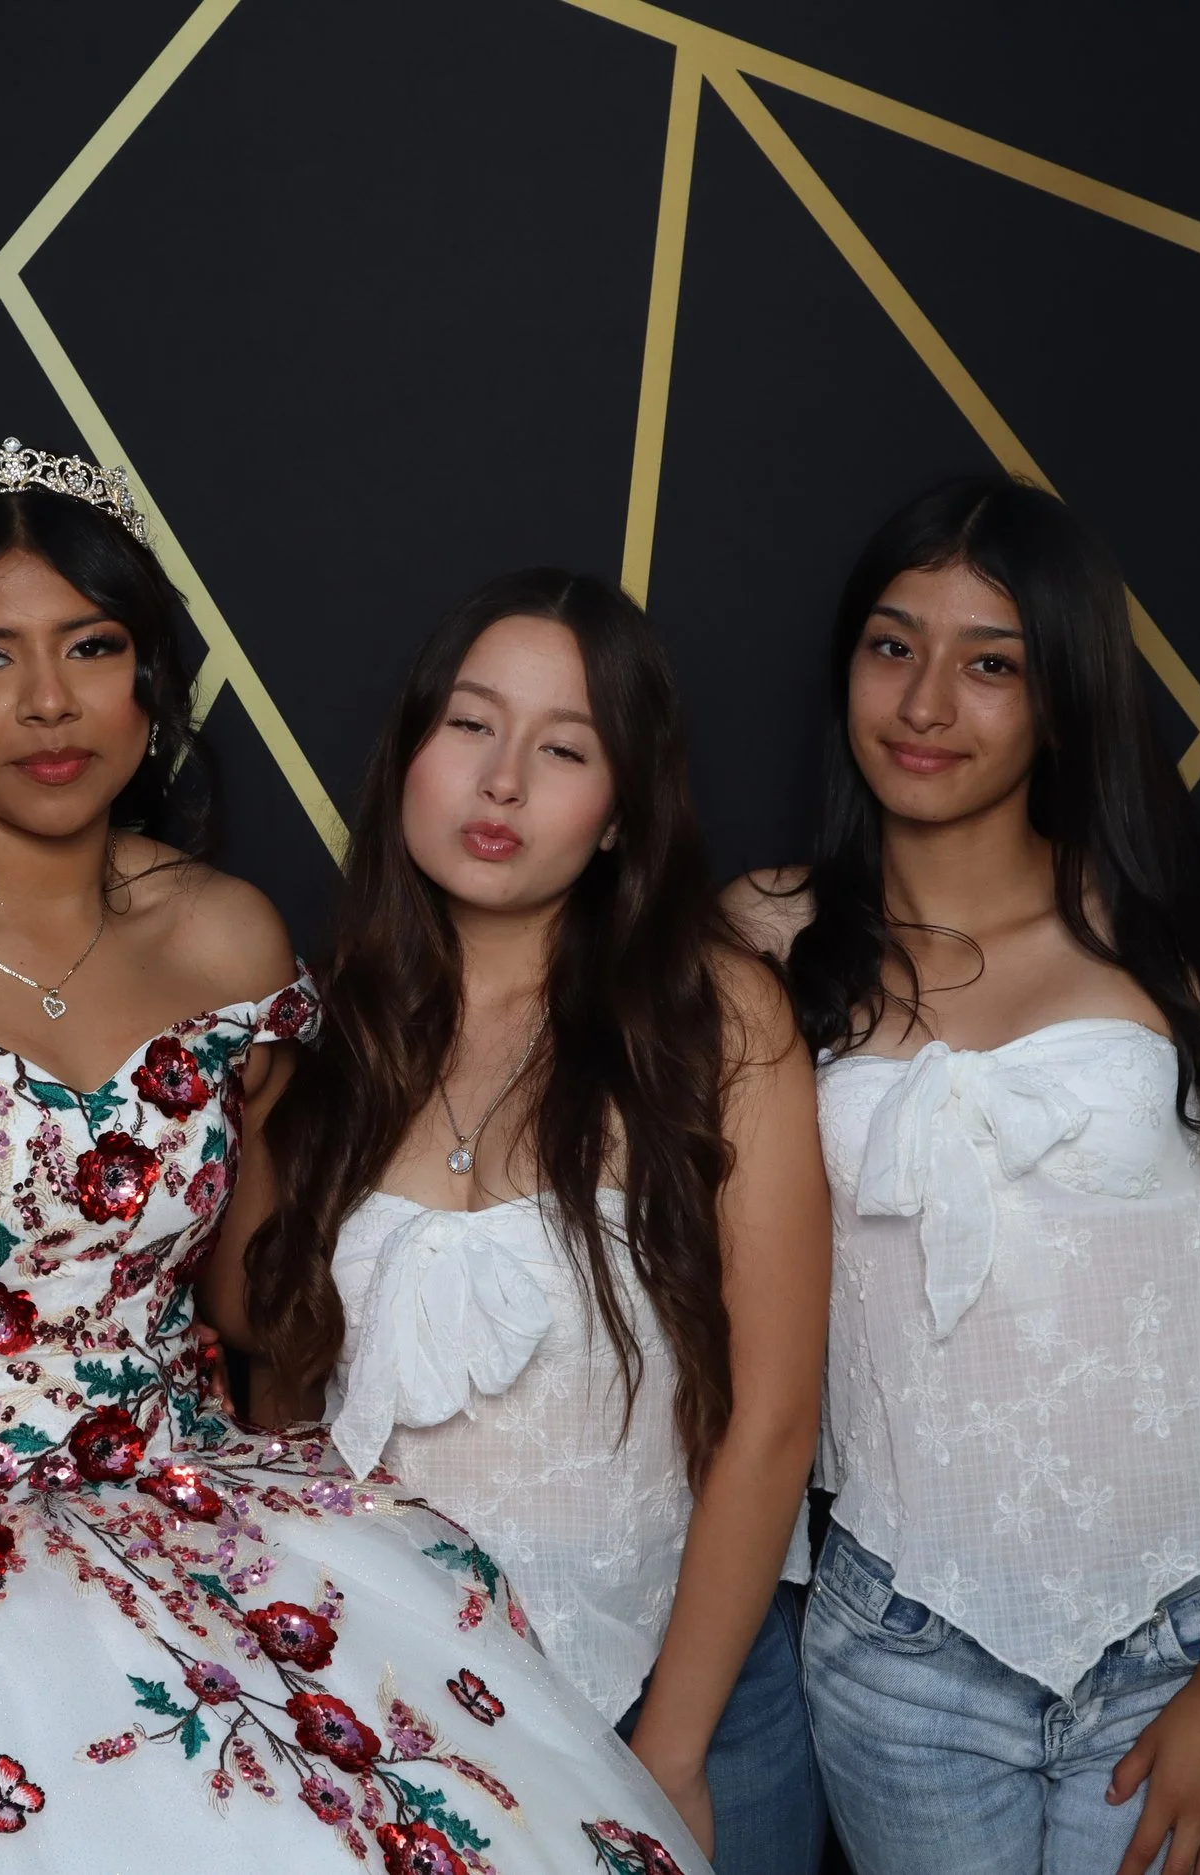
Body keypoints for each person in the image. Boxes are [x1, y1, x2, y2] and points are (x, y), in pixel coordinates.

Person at [0, 441, 709, 1875]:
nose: (50, 703)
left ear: (148, 683)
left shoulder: (227, 936)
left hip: (189, 1503)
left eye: (93, 647)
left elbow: (254, 1295)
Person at [729, 476, 1200, 1875]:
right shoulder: (770, 947)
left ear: (1061, 694)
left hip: (1176, 1636)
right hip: (901, 1650)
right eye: (894, 646)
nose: (928, 700)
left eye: (989, 662)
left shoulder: (1192, 944)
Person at [232, 570, 832, 1874]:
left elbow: (776, 1412)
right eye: (470, 726)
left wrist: (666, 1752)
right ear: (409, 756)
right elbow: (280, 1398)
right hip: (391, 1719)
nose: (502, 781)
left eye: (564, 748)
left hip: (682, 1703)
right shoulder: (319, 1029)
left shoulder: (717, 1019)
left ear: (622, 812)